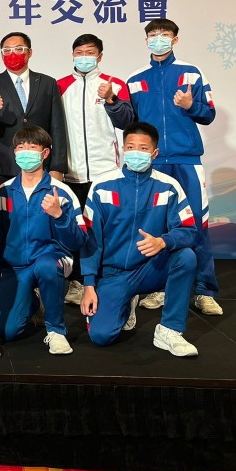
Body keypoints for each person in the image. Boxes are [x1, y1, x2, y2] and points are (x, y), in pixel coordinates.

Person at [106, 19, 221, 316]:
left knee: (195, 224)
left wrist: (190, 106)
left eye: (165, 34)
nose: (159, 39)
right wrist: (112, 101)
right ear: (146, 40)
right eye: (153, 35)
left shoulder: (191, 72)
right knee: (155, 227)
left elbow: (209, 114)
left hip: (186, 161)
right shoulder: (135, 78)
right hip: (152, 162)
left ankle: (204, 290)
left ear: (175, 39)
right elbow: (127, 122)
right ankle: (159, 286)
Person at [80, 122, 200, 357]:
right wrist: (89, 285)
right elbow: (90, 240)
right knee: (101, 336)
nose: (136, 152)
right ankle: (126, 302)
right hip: (114, 274)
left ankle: (169, 330)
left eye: (143, 148)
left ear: (154, 153)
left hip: (151, 268)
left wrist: (163, 242)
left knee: (186, 257)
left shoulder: (169, 186)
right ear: (123, 149)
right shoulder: (102, 186)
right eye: (130, 147)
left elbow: (188, 230)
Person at [0, 126, 85, 355]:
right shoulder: (3, 192)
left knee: (46, 266)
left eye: (32, 147)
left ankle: (56, 330)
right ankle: (33, 301)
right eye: (21, 147)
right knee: (7, 332)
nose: (25, 152)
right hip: (15, 266)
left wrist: (59, 216)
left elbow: (79, 240)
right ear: (15, 152)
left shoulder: (61, 192)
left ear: (45, 153)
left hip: (50, 259)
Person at [55, 34, 133, 306]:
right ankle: (78, 281)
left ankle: (108, 279)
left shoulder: (115, 84)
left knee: (106, 230)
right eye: (79, 52)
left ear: (100, 56)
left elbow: (127, 122)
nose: (84, 57)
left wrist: (111, 99)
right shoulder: (60, 86)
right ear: (72, 55)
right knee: (77, 230)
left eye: (90, 52)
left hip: (105, 173)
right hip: (70, 174)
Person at [0, 32, 67, 185]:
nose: (13, 54)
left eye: (19, 49)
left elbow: (58, 128)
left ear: (30, 52)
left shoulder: (48, 83)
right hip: (3, 165)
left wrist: (57, 167)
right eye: (7, 50)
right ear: (1, 55)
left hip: (41, 164)